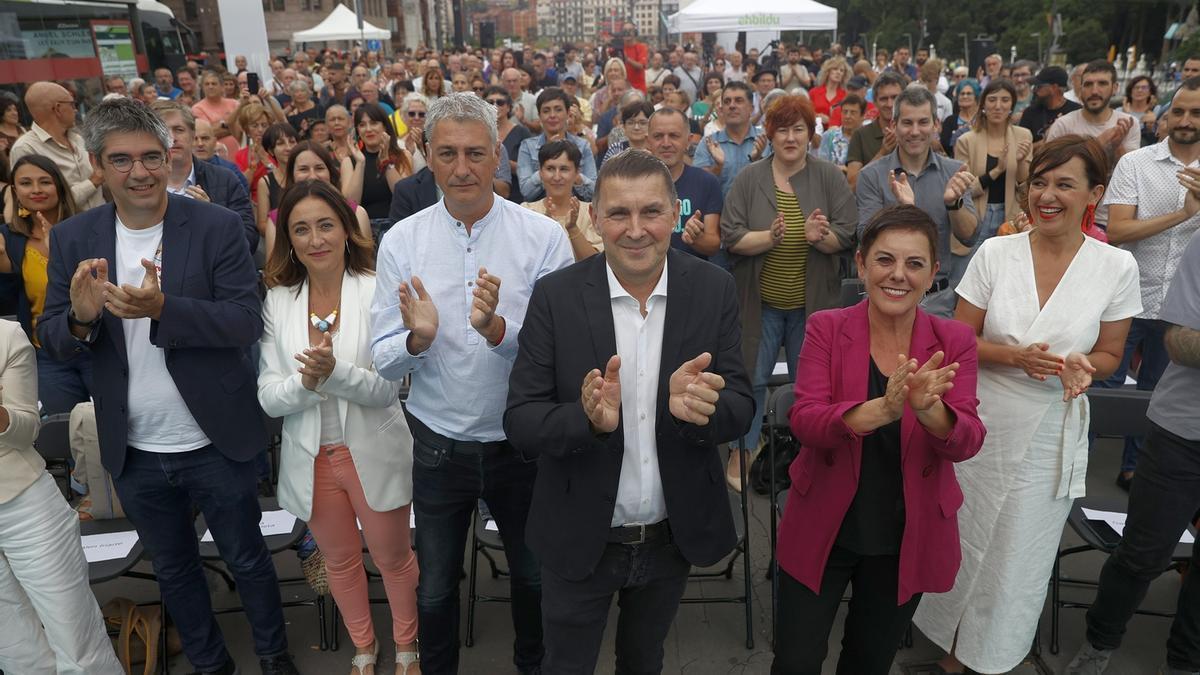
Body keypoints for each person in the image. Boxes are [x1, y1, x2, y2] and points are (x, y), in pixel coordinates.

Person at [38, 97, 298, 675]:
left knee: (248, 558)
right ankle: (210, 664)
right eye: (123, 160)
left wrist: (164, 309)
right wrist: (81, 319)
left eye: (152, 156)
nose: (141, 172)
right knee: (174, 567)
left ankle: (275, 658)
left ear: (169, 156)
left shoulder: (217, 227)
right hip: (133, 447)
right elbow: (52, 339)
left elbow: (244, 321)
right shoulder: (75, 237)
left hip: (215, 438)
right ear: (97, 167)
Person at [504, 147, 754, 674]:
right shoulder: (556, 296)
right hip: (578, 537)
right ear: (594, 219)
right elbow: (521, 420)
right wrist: (587, 422)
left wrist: (703, 411)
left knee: (644, 663)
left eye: (651, 212)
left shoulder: (713, 289)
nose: (636, 230)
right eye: (618, 213)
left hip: (671, 536)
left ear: (676, 214)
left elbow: (740, 406)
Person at [913, 136, 1142, 675]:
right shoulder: (996, 252)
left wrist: (1086, 367)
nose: (1048, 195)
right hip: (980, 422)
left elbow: (1110, 354)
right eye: (1040, 181)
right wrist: (1015, 357)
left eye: (1065, 183)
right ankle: (946, 641)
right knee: (964, 536)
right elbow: (957, 342)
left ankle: (987, 654)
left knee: (1019, 554)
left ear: (1095, 193)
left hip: (1049, 430)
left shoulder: (1115, 267)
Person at [370, 92, 574, 675]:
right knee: (434, 587)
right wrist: (417, 340)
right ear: (427, 156)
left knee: (533, 578)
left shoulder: (542, 240)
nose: (462, 168)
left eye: (476, 154)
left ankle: (532, 665)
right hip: (437, 445)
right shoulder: (401, 241)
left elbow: (557, 359)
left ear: (499, 160)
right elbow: (383, 363)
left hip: (521, 445)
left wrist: (498, 329)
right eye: (448, 153)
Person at [773, 204, 986, 674]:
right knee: (795, 661)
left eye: (914, 264)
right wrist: (883, 410)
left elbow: (968, 439)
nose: (898, 275)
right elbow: (804, 421)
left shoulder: (955, 341)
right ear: (862, 264)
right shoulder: (827, 328)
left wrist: (931, 412)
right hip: (824, 524)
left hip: (904, 533)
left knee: (869, 663)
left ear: (933, 274)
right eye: (885, 259)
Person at [259, 179, 420, 675]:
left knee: (393, 558)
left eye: (326, 225)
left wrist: (334, 375)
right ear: (287, 238)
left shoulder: (376, 290)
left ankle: (409, 648)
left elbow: (386, 388)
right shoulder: (279, 300)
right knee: (341, 562)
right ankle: (365, 648)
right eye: (301, 229)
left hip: (373, 449)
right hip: (313, 459)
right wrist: (309, 385)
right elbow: (268, 397)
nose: (315, 239)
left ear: (348, 230)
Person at [1065, 229, 1200, 674]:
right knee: (1144, 553)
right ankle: (1099, 642)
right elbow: (1177, 340)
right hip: (1184, 432)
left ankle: (1185, 660)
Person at [721, 94, 857, 489]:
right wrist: (769, 237)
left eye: (799, 129)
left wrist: (822, 237)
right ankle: (743, 449)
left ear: (810, 135)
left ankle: (806, 454)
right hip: (760, 302)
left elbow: (848, 235)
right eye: (783, 130)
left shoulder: (829, 176)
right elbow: (731, 237)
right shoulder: (750, 178)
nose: (791, 137)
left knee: (808, 384)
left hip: (811, 304)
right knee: (754, 377)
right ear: (771, 135)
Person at [0, 318, 124, 675]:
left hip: (26, 506)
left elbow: (25, 429)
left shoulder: (7, 337)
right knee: (16, 655)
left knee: (80, 649)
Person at [1096, 78, 1200, 490]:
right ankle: (1075, 462)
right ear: (1165, 114)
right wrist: (1184, 214)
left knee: (1158, 397)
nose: (1186, 120)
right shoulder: (1136, 164)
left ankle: (1136, 471)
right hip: (1127, 299)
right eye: (1179, 111)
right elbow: (1117, 231)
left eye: (1196, 112)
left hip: (1184, 311)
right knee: (1102, 385)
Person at [855, 87, 979, 318]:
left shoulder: (953, 171)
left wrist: (953, 204)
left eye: (923, 122)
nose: (915, 131)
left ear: (936, 125)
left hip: (937, 301)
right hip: (886, 295)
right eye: (907, 123)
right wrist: (905, 212)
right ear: (893, 125)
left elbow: (969, 235)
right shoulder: (871, 175)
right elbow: (864, 236)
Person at [0, 155, 90, 415]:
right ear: (15, 191)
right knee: (62, 431)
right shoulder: (8, 238)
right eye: (26, 183)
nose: (36, 190)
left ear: (59, 186)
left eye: (45, 182)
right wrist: (5, 269)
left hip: (97, 348)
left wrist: (62, 255)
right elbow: (9, 310)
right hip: (46, 354)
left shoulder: (88, 228)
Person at [952, 79, 1033, 285]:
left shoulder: (1024, 136)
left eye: (1005, 100)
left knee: (1007, 280)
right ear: (983, 105)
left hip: (1011, 216)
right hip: (977, 216)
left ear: (1012, 105)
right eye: (992, 100)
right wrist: (998, 170)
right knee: (969, 280)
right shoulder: (966, 140)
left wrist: (1021, 161)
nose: (998, 106)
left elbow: (1027, 187)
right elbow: (964, 189)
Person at [152, 101, 258, 257]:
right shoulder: (141, 184)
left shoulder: (225, 179)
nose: (172, 138)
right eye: (164, 131)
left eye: (179, 130)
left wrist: (212, 218)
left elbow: (249, 240)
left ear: (192, 134)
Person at [10, 82, 105, 210]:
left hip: (104, 219)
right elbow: (38, 202)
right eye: (72, 104)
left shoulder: (78, 139)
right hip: (66, 227)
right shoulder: (26, 148)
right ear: (58, 109)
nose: (75, 110)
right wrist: (94, 182)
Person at [648, 107, 722, 259]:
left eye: (674, 136)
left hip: (693, 277)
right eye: (658, 136)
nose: (666, 143)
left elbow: (714, 243)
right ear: (648, 141)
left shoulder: (706, 183)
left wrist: (696, 238)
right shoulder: (633, 185)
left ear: (688, 141)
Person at [1045, 60, 1140, 165]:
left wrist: (1117, 146)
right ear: (1081, 89)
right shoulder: (1063, 125)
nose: (1094, 91)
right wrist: (1097, 144)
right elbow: (1049, 168)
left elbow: (1130, 171)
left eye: (1102, 84)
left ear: (1115, 88)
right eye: (1088, 84)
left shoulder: (1129, 124)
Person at [521, 140, 601, 261]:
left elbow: (595, 264)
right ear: (540, 172)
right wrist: (544, 227)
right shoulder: (526, 211)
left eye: (564, 169)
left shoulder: (591, 213)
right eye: (550, 169)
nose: (557, 177)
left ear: (576, 173)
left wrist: (573, 229)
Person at [517, 87, 597, 201]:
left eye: (558, 109)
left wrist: (572, 172)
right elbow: (526, 191)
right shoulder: (527, 147)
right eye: (546, 111)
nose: (552, 115)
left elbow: (594, 192)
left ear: (568, 113)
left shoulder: (582, 146)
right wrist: (547, 156)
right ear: (539, 116)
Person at [694, 81, 764, 196]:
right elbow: (699, 187)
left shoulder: (766, 141)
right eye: (727, 102)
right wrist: (718, 167)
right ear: (722, 109)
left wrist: (758, 161)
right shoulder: (708, 143)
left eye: (738, 100)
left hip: (759, 212)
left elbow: (777, 183)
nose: (732, 106)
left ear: (751, 109)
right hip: (721, 212)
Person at [346, 103, 411, 224]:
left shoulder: (403, 156)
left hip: (397, 225)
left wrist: (386, 161)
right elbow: (351, 206)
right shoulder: (350, 161)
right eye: (362, 125)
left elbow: (405, 197)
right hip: (365, 230)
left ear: (385, 126)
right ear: (357, 131)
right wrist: (360, 164)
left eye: (374, 123)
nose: (369, 129)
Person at [846, 72, 906, 190]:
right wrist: (882, 153)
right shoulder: (860, 135)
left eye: (895, 97)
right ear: (875, 102)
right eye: (884, 99)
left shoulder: (916, 133)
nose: (890, 104)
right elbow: (852, 185)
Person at [1019, 66, 1082, 144]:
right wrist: (1048, 139)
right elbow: (1021, 149)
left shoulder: (1076, 112)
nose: (1035, 90)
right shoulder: (1030, 112)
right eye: (1034, 87)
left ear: (1054, 88)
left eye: (1039, 86)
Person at [191, 70, 241, 160]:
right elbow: (207, 134)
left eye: (214, 84)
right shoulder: (197, 108)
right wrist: (230, 125)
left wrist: (219, 126)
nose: (210, 87)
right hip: (215, 156)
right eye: (207, 84)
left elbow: (242, 128)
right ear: (202, 87)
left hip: (239, 149)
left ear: (222, 87)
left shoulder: (234, 104)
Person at [818, 94, 866, 170]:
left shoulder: (867, 138)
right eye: (845, 112)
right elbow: (820, 167)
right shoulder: (829, 136)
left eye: (853, 113)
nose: (847, 116)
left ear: (862, 116)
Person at [600, 100, 653, 165]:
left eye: (642, 123)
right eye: (631, 123)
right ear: (624, 126)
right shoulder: (616, 149)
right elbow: (604, 174)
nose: (636, 127)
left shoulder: (656, 149)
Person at [940, 78, 980, 155]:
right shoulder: (949, 121)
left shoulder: (983, 119)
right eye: (962, 93)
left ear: (976, 97)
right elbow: (945, 144)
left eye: (969, 93)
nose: (965, 96)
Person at [1121, 75, 1160, 148]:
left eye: (1144, 88)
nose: (1140, 90)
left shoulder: (1157, 110)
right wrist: (1126, 115)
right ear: (1130, 91)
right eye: (1136, 87)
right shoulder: (1120, 111)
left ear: (1150, 92)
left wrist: (1154, 126)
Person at [810, 57, 849, 128]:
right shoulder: (814, 92)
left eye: (841, 71)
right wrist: (817, 117)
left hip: (836, 134)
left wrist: (830, 120)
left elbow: (847, 119)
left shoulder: (846, 96)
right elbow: (807, 113)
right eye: (835, 69)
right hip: (815, 131)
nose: (838, 72)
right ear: (828, 72)